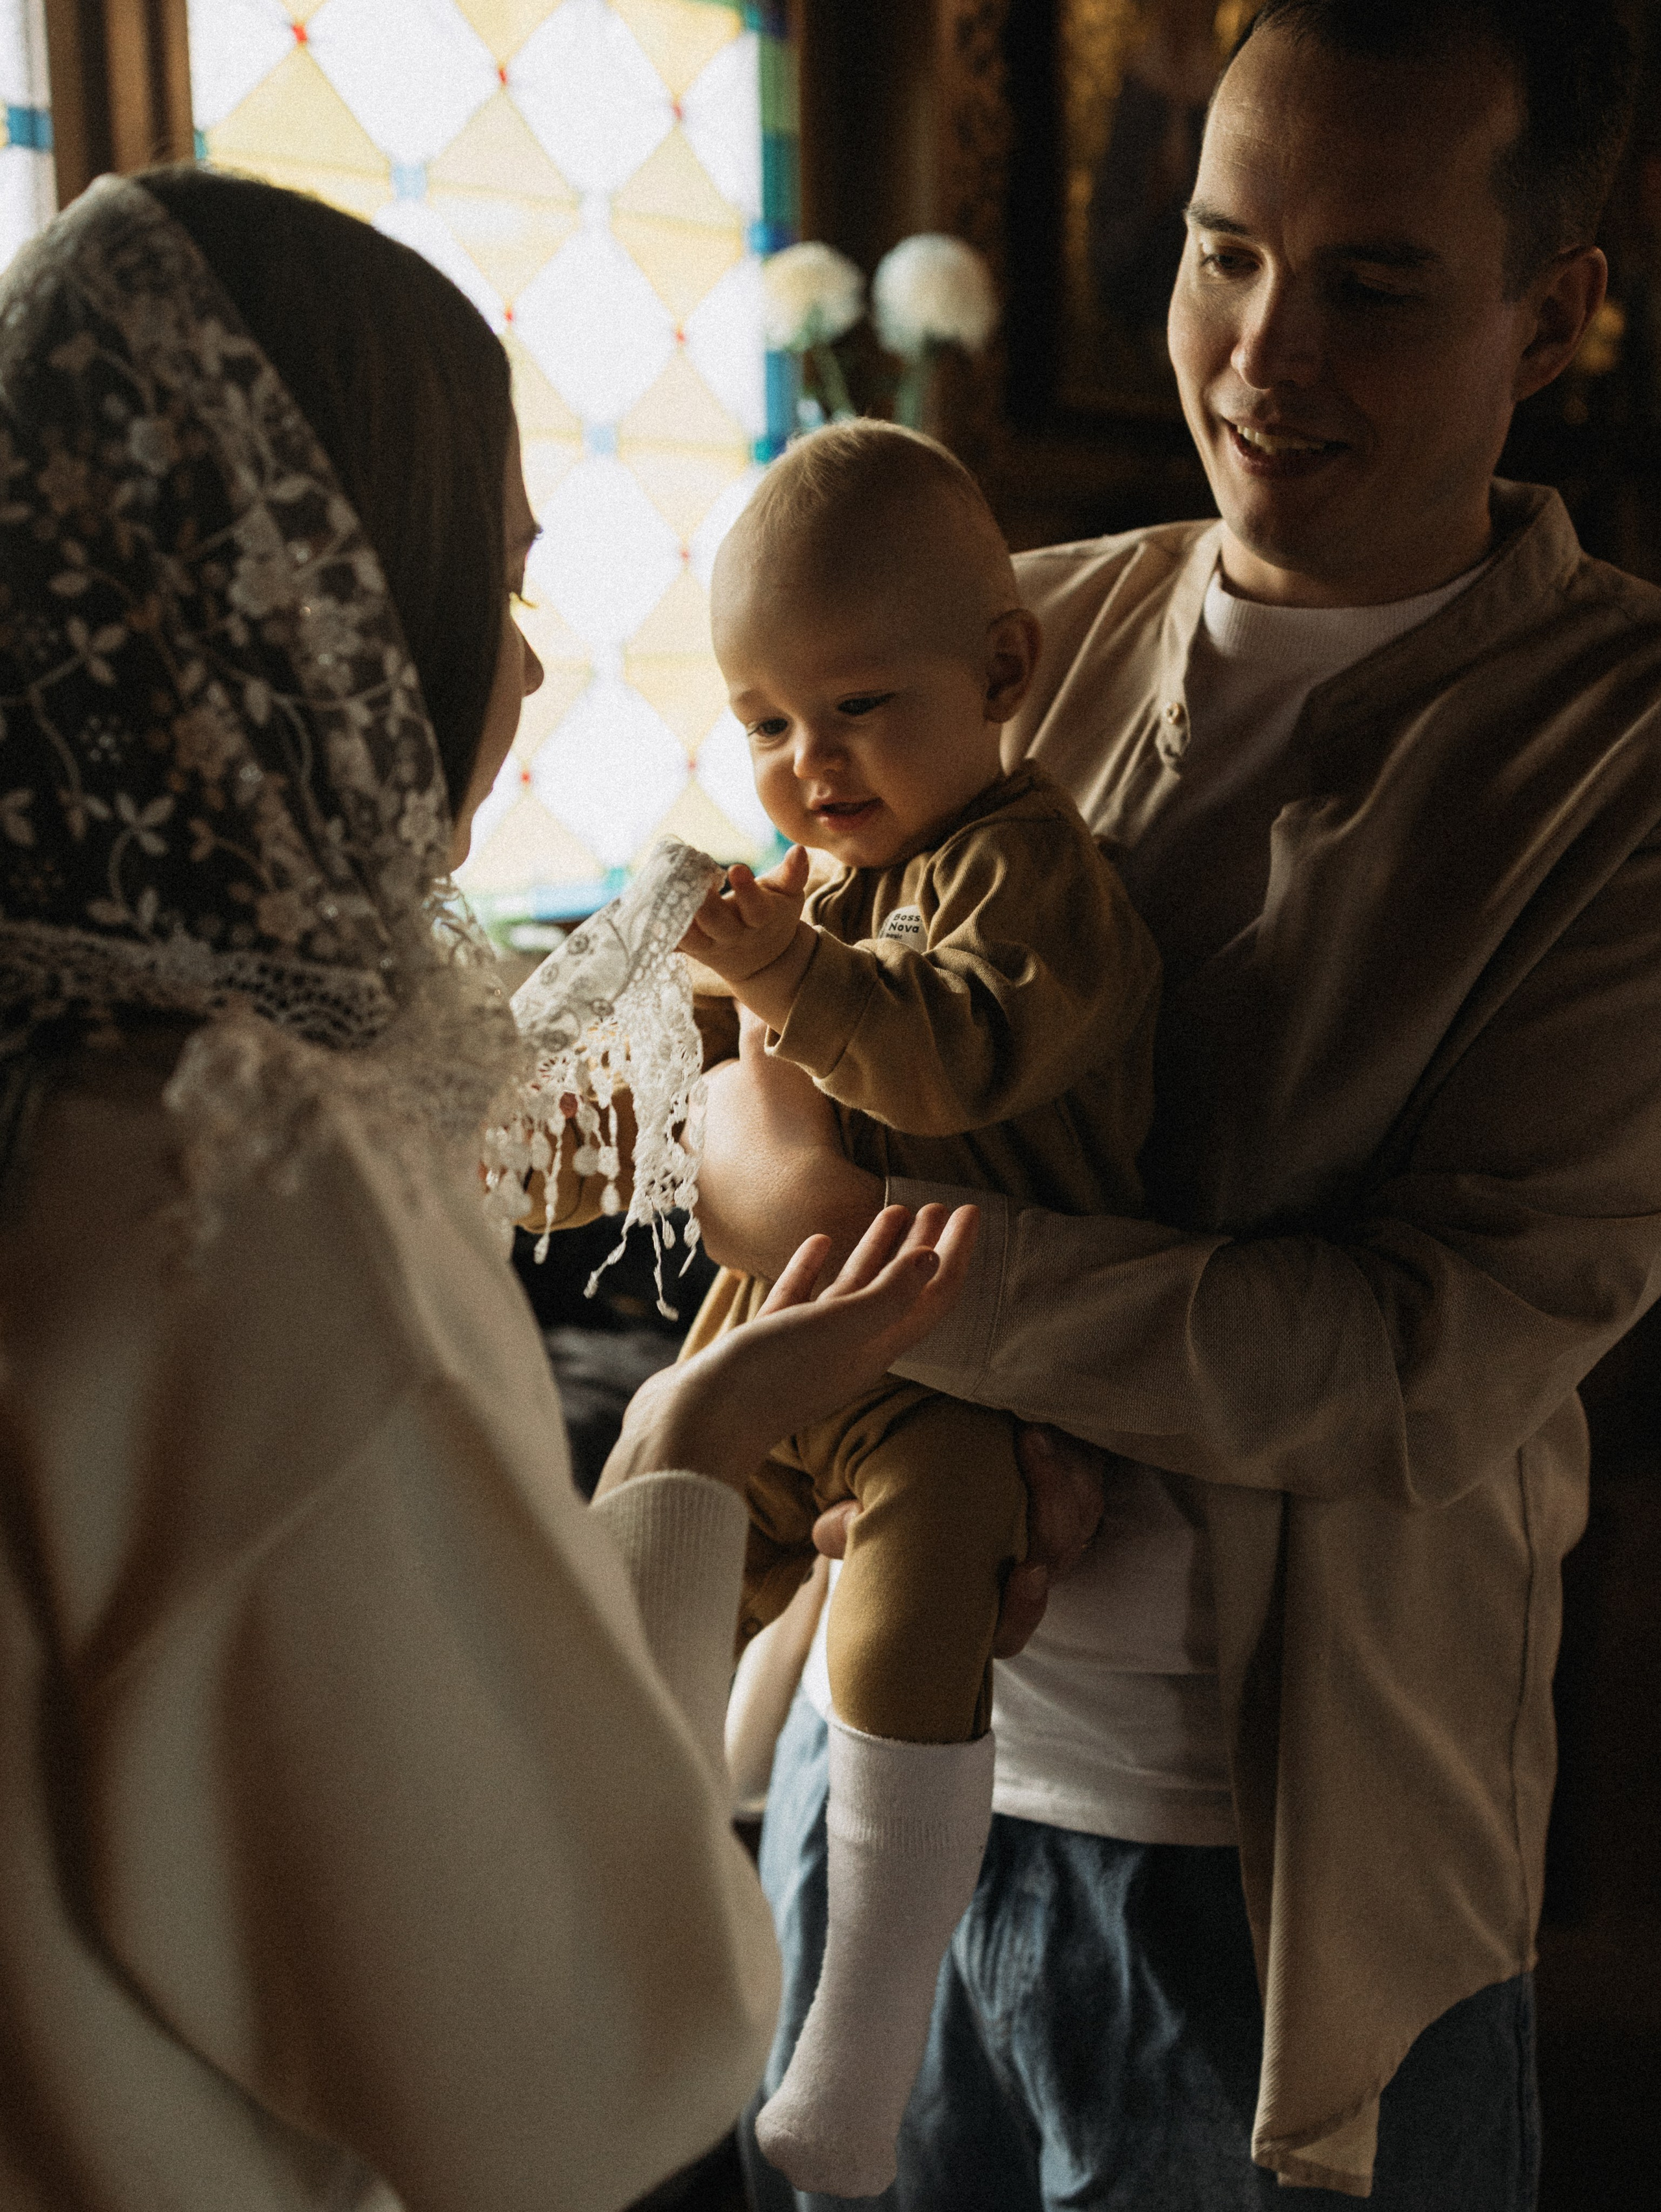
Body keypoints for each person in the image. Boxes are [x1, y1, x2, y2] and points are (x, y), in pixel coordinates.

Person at [694, 3, 1661, 2206]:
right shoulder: (1020, 616)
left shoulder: (1617, 759)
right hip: (886, 1771)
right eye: (1222, 251)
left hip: (1268, 1901)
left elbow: (1415, 1362)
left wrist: (841, 1240)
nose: (1261, 350)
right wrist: (746, 1136)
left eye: (1376, 282)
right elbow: (777, 1011)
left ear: (1557, 310)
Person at [0, 163, 985, 2211]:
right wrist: (692, 1446)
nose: (521, 678)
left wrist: (688, 1428)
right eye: (496, 586)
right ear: (326, 621)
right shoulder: (249, 1186)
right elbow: (588, 2047)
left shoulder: (73, 1090)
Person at [660, 418, 1158, 2196]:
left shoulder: (1036, 871)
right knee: (649, 1553)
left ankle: (857, 2048)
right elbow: (734, 1096)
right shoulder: (832, 877)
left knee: (918, 1591)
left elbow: (949, 1057)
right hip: (798, 1324)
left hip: (956, 1361)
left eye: (857, 707)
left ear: (1002, 668)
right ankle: (623, 1888)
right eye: (768, 724)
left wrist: (785, 977)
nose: (809, 764)